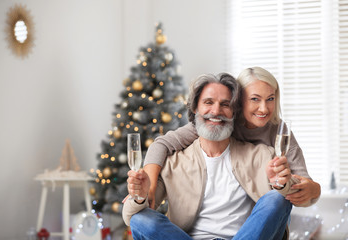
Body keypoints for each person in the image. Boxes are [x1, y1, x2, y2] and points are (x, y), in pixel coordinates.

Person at [123, 73, 299, 240]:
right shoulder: (173, 163)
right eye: (208, 102)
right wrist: (139, 196)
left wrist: (281, 184)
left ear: (234, 112)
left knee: (277, 198)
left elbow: (286, 198)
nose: (216, 111)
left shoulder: (261, 155)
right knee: (140, 219)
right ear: (195, 108)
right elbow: (130, 216)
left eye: (225, 104)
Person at [144, 67, 321, 209]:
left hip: (260, 211)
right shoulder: (221, 122)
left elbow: (302, 184)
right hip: (229, 207)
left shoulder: (279, 131)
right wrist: (150, 187)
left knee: (275, 201)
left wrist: (314, 190)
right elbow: (162, 145)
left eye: (270, 99)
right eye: (255, 99)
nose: (264, 109)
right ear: (238, 100)